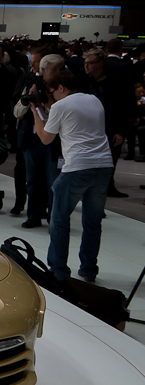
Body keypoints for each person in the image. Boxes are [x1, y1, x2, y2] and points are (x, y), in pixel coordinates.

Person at [31, 70, 114, 282]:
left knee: (59, 220)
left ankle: (58, 271)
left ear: (61, 88)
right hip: (104, 164)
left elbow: (46, 138)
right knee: (93, 222)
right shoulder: (94, 100)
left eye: (52, 92)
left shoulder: (60, 106)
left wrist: (35, 112)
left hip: (77, 166)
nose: (52, 96)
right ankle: (89, 269)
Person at [12, 50, 61, 228]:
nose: (57, 73)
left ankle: (54, 218)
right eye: (54, 69)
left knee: (53, 182)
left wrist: (48, 102)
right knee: (32, 180)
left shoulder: (62, 89)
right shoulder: (29, 83)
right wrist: (28, 98)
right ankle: (33, 215)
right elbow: (17, 111)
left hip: (53, 140)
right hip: (31, 138)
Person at [83, 49, 134, 197]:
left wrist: (120, 131)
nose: (86, 66)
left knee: (110, 158)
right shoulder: (83, 82)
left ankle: (108, 186)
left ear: (100, 64)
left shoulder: (115, 82)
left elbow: (122, 107)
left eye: (90, 63)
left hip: (110, 126)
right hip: (87, 127)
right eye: (85, 63)